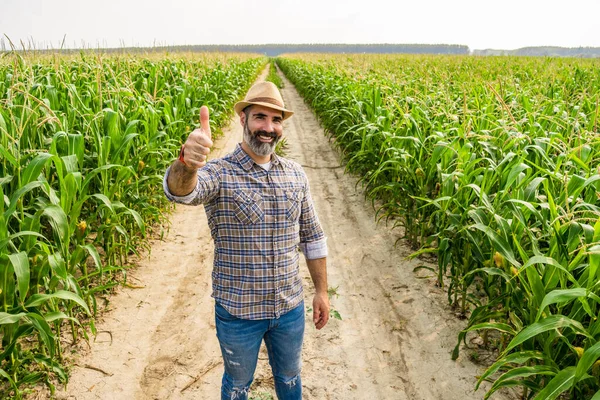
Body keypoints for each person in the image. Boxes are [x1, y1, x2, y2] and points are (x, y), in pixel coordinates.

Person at [163, 81, 329, 400]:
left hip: (288, 308)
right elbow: (182, 192)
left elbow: (313, 236)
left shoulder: (295, 174)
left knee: (291, 377)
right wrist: (186, 164)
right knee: (238, 384)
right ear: (243, 120)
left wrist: (321, 290)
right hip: (239, 313)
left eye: (276, 120)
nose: (268, 128)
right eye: (260, 118)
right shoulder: (220, 173)